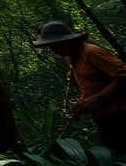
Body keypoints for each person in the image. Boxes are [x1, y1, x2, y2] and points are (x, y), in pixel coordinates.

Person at [33, 20, 126, 154]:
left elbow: (122, 75)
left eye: (52, 45)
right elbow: (92, 85)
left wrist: (96, 99)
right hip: (103, 118)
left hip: (119, 116)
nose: (51, 50)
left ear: (65, 41)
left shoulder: (92, 52)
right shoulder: (73, 58)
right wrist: (82, 102)